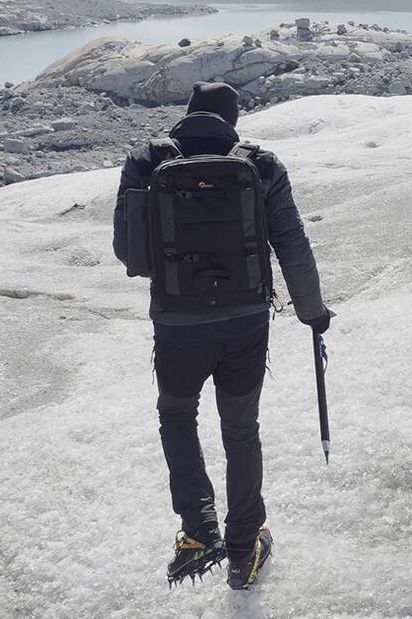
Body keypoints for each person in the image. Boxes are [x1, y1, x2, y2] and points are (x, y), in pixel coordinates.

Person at [112, 82, 330, 591]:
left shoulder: (146, 162)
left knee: (176, 416)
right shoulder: (263, 166)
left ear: (189, 116)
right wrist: (312, 313)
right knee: (240, 429)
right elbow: (292, 243)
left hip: (177, 324)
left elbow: (129, 253)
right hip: (246, 324)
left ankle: (197, 530)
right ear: (232, 120)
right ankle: (242, 549)